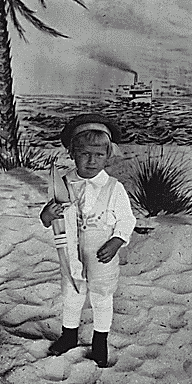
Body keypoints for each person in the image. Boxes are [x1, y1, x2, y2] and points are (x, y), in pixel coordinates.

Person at [40, 113, 136, 368]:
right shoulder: (63, 183)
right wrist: (47, 215)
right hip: (70, 250)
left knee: (102, 296)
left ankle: (100, 341)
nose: (92, 161)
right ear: (72, 153)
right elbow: (49, 216)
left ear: (108, 155)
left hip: (101, 251)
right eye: (84, 154)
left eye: (99, 155)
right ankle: (69, 335)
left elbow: (127, 220)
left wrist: (116, 241)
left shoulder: (114, 188)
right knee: (72, 293)